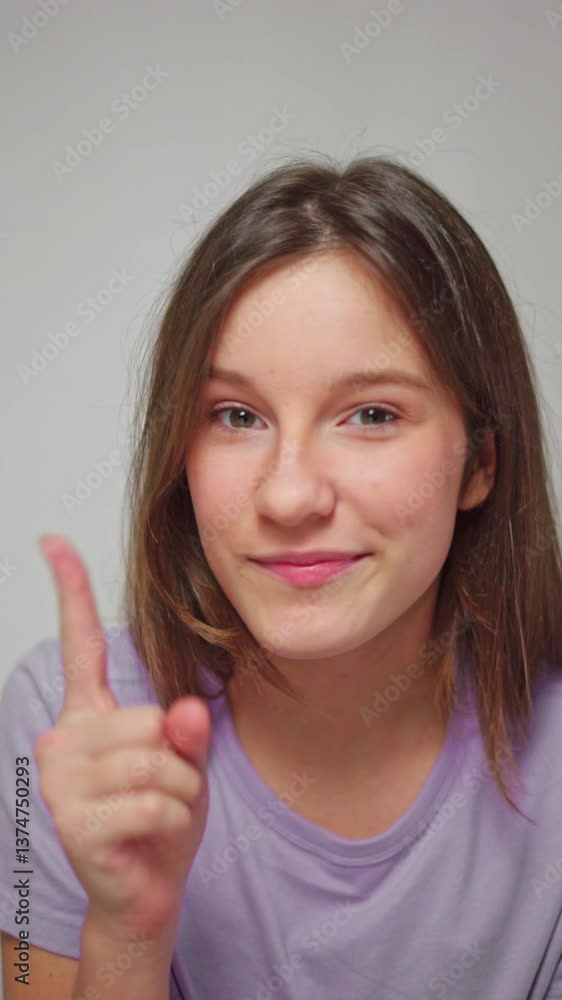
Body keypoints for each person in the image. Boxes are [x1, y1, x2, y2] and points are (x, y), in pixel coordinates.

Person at [1, 154, 562, 1000]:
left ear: (480, 461)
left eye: (371, 414)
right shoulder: (60, 723)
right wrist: (126, 933)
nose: (291, 493)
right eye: (236, 416)